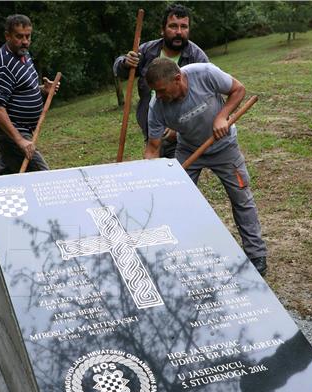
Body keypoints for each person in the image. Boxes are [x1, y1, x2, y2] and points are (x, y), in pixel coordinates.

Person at [143, 58, 268, 275]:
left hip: (224, 148)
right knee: (176, 200)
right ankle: (180, 254)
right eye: (156, 92)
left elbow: (238, 89)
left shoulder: (204, 74)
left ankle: (256, 254)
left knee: (241, 198)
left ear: (177, 78)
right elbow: (153, 148)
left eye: (162, 90)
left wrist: (222, 116)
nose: (159, 96)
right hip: (189, 149)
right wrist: (150, 178)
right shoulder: (157, 106)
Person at [113, 4, 209, 158]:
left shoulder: (197, 58)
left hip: (182, 133)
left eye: (184, 27)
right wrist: (125, 62)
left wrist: (179, 128)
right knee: (157, 172)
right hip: (151, 126)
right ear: (162, 29)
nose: (179, 32)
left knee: (177, 174)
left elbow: (206, 100)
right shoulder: (147, 51)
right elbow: (119, 69)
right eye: (173, 26)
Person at [0, 14, 58, 175]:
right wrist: (19, 140)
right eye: (19, 36)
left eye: (28, 36)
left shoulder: (23, 54)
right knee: (42, 176)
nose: (25, 41)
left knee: (7, 182)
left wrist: (43, 90)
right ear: (7, 36)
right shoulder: (3, 64)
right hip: (13, 134)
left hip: (21, 131)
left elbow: (20, 89)